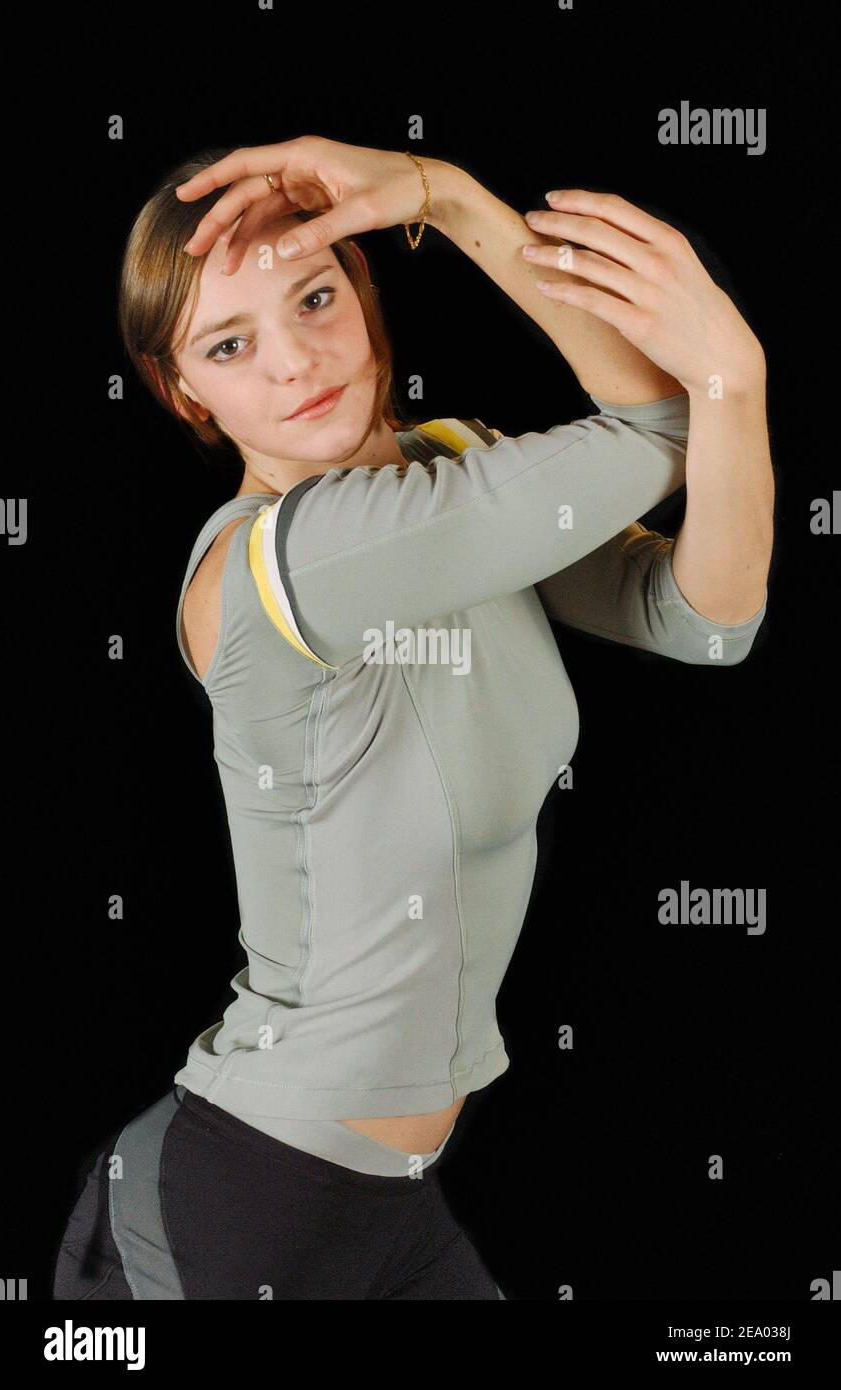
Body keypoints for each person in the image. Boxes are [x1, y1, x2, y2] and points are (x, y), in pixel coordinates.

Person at [52, 138, 773, 1300]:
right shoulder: (277, 565)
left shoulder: (454, 470)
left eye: (317, 294)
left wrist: (725, 393)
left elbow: (702, 615)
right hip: (238, 1203)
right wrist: (461, 203)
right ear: (188, 393)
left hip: (390, 1201)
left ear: (364, 293)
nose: (295, 361)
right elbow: (662, 428)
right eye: (231, 345)